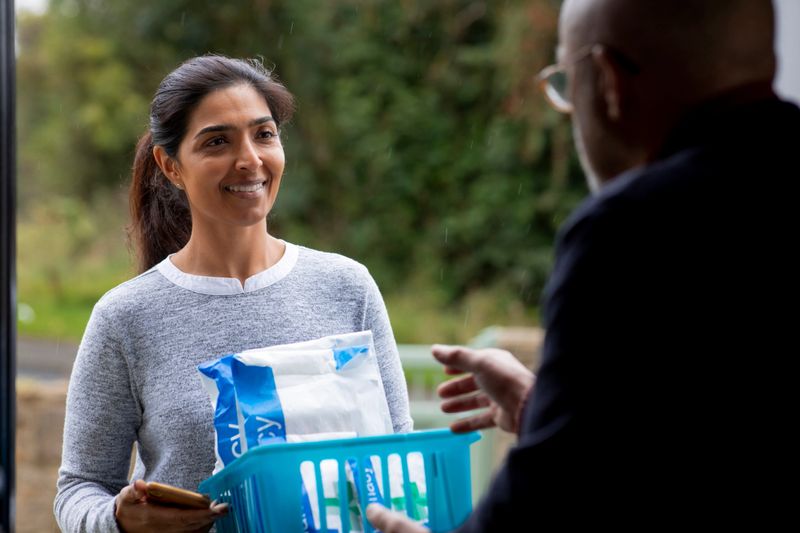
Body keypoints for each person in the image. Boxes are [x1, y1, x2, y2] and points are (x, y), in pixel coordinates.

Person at [367, 0, 795, 530]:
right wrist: (544, 413)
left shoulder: (637, 229)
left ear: (608, 83)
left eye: (567, 82)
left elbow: (553, 507)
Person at [54, 55, 413, 533]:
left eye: (264, 134)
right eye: (217, 141)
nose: (250, 160)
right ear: (171, 165)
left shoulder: (347, 288)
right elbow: (79, 488)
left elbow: (398, 458)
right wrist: (118, 520)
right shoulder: (125, 318)